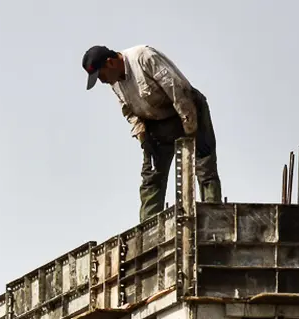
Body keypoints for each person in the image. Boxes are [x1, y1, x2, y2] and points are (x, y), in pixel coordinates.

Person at [82, 45, 222, 221]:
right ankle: (149, 228)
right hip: (157, 123)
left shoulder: (143, 57)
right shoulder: (115, 83)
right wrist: (142, 136)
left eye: (100, 75)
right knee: (151, 177)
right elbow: (129, 112)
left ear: (110, 63)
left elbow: (177, 90)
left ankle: (214, 217)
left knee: (203, 164)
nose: (102, 81)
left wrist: (190, 128)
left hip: (187, 108)